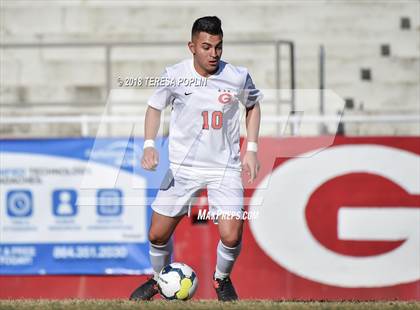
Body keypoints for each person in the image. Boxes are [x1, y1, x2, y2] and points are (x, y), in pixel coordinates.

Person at [130, 16, 262, 301]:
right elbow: (154, 107)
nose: (213, 54)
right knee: (157, 235)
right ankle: (158, 280)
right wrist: (149, 145)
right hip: (181, 167)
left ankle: (221, 280)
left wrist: (251, 148)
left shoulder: (237, 76)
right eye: (206, 47)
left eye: (218, 47)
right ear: (192, 47)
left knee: (231, 235)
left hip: (224, 168)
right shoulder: (174, 74)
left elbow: (252, 105)